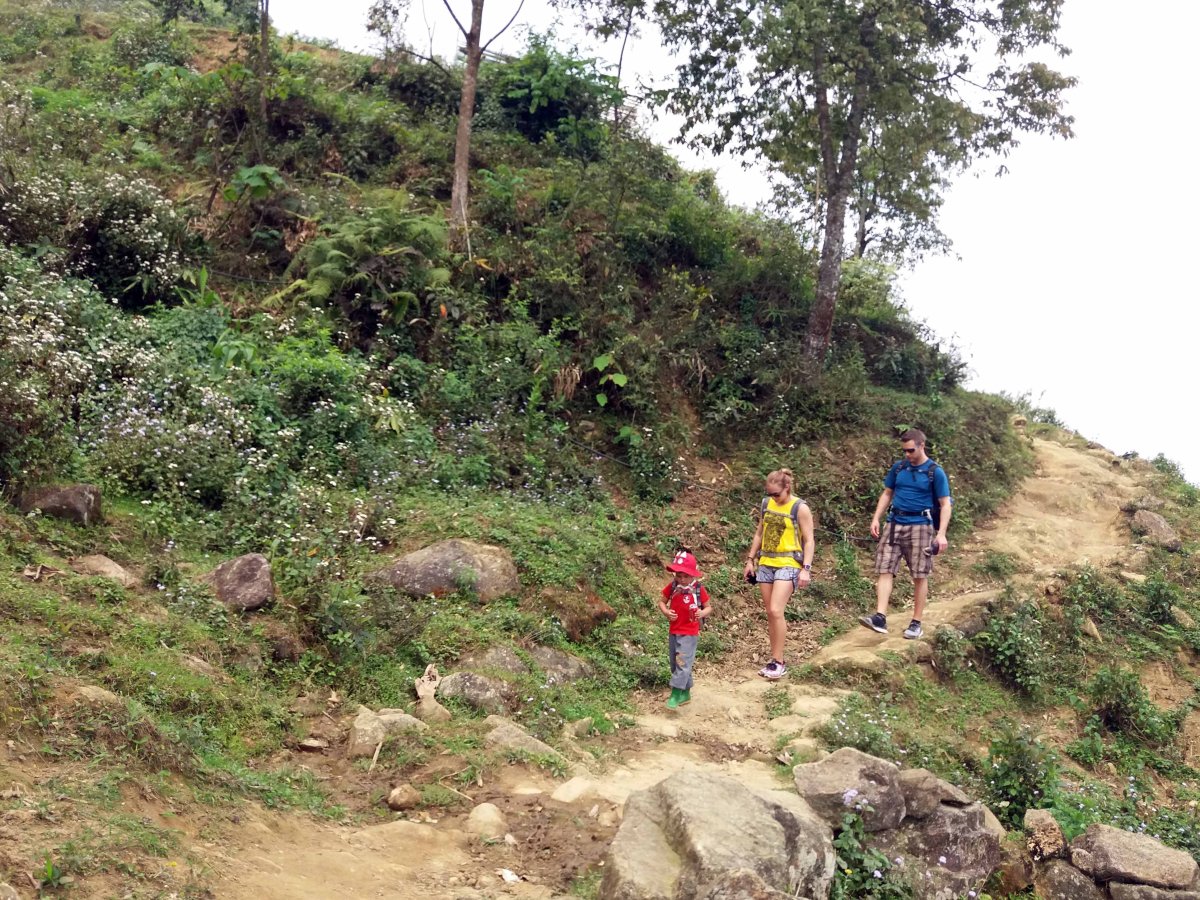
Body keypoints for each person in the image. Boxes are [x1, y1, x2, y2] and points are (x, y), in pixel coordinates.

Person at [860, 429, 952, 640]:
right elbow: (887, 493)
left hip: (921, 525)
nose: (907, 454)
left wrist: (941, 534)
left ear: (921, 445)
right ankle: (880, 617)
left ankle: (916, 622)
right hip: (894, 523)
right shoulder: (899, 467)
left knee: (919, 574)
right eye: (904, 450)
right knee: (885, 568)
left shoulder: (935, 472)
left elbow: (945, 504)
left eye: (911, 450)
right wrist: (876, 518)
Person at [742, 468, 814, 680]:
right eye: (770, 493)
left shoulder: (800, 508)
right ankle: (775, 658)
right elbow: (760, 533)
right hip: (766, 562)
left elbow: (809, 540)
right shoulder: (767, 504)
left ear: (787, 487)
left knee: (776, 609)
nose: (773, 497)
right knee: (771, 613)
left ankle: (779, 661)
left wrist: (806, 568)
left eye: (777, 494)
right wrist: (750, 559)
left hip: (789, 562)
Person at [659, 549, 712, 709]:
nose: (682, 579)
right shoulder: (673, 586)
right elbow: (662, 602)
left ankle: (675, 694)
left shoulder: (698, 589)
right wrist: (666, 612)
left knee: (682, 662)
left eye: (686, 576)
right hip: (674, 630)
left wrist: (702, 612)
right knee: (675, 663)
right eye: (679, 575)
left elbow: (709, 607)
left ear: (693, 575)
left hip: (689, 632)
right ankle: (686, 693)